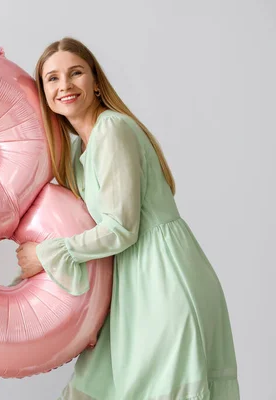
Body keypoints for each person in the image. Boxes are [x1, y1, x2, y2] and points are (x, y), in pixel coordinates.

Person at [15, 38, 239, 399]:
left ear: (96, 81)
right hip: (128, 289)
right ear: (44, 94)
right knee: (93, 389)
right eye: (52, 79)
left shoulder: (112, 129)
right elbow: (77, 230)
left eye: (76, 73)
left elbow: (120, 229)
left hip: (163, 279)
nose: (65, 85)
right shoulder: (75, 153)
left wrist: (44, 255)